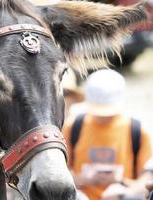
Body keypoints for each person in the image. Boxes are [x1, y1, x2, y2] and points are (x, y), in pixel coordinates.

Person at [62, 69, 152, 200]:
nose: (104, 117)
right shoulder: (73, 127)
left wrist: (122, 184)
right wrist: (83, 179)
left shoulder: (137, 131)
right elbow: (59, 177)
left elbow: (146, 182)